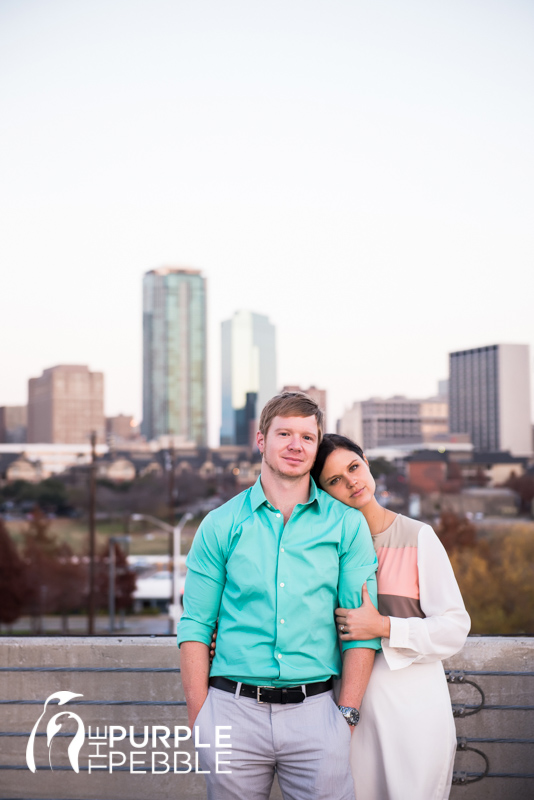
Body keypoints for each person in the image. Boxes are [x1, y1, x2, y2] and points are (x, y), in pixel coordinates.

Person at [177, 393, 381, 800]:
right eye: (284, 433)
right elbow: (196, 625)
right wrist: (202, 719)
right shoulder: (220, 525)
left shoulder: (346, 527)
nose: (295, 445)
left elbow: (360, 630)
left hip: (318, 713)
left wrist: (347, 716)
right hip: (231, 712)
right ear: (261, 440)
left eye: (307, 437)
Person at [310, 434, 471, 800]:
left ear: (366, 462)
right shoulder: (322, 550)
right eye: (334, 480)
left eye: (353, 467)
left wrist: (383, 626)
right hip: (348, 714)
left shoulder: (418, 537)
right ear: (322, 491)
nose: (351, 481)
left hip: (413, 712)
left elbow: (454, 627)